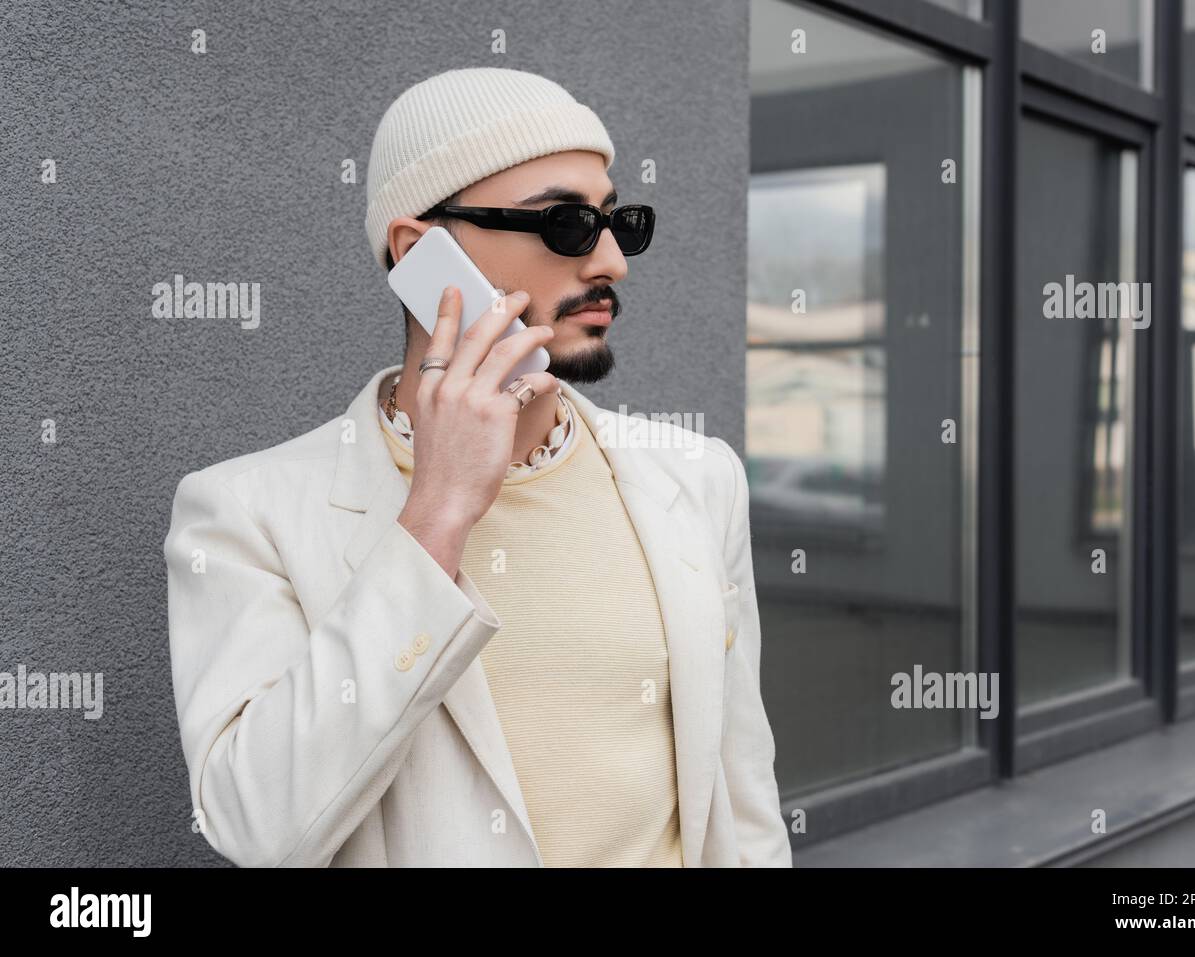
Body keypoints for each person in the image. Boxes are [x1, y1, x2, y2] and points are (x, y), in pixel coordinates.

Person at [164, 67, 790, 868]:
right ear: (423, 256)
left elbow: (743, 798)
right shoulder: (247, 513)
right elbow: (257, 824)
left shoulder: (699, 479)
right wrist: (438, 513)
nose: (610, 262)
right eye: (566, 222)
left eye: (614, 222)